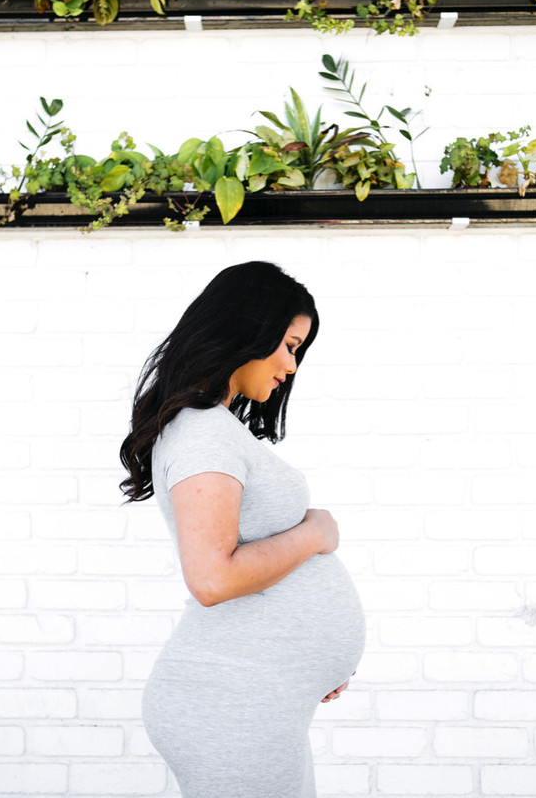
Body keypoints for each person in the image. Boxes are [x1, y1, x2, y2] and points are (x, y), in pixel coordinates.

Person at [120, 261, 365, 798]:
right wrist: (315, 534)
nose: (291, 366)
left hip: (256, 695)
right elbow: (212, 579)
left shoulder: (216, 429)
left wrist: (306, 662)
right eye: (287, 344)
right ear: (246, 329)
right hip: (230, 701)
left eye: (298, 350)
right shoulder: (204, 434)